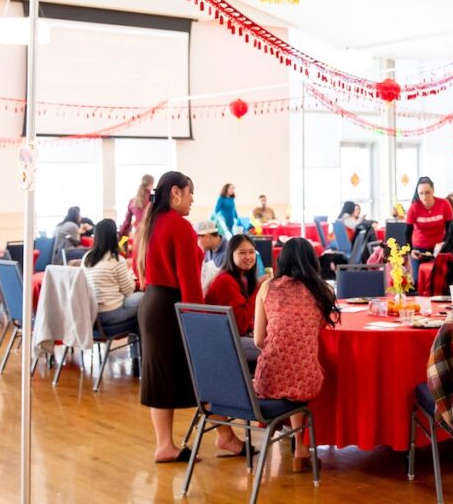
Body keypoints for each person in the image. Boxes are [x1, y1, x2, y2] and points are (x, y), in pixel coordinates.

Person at [136, 172, 245, 462]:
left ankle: (168, 444)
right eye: (190, 193)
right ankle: (225, 437)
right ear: (176, 193)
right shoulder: (180, 226)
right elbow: (190, 283)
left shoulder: (149, 223)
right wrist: (200, 322)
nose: (193, 199)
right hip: (172, 306)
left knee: (161, 376)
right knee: (206, 370)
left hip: (152, 303)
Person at [253, 237, 340, 472]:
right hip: (306, 382)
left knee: (286, 366)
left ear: (281, 260)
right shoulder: (324, 291)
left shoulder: (267, 287)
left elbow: (259, 340)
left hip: (267, 380)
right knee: (300, 368)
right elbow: (317, 329)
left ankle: (300, 449)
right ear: (312, 261)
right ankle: (301, 450)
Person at [205, 234, 262, 360]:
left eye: (251, 252)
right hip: (222, 342)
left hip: (232, 336)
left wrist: (252, 327)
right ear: (231, 254)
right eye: (242, 253)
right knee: (273, 350)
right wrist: (259, 289)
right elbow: (239, 324)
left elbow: (243, 320)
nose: (248, 257)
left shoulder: (241, 278)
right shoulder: (225, 281)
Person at [83, 219, 142, 325]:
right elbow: (128, 291)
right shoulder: (116, 260)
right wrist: (129, 276)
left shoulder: (87, 258)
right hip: (112, 315)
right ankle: (137, 339)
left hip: (91, 316)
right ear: (114, 237)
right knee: (146, 298)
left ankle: (136, 339)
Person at [405, 177, 453, 276]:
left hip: (440, 248)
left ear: (433, 191)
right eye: (421, 193)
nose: (424, 197)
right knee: (417, 280)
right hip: (419, 249)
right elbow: (407, 232)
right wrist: (410, 251)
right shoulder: (414, 208)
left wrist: (445, 244)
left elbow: (451, 229)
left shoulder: (444, 204)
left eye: (427, 193)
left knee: (441, 277)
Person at [119, 174, 153, 238]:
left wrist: (121, 234)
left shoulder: (133, 200)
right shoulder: (153, 197)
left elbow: (127, 222)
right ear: (151, 184)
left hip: (138, 235)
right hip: (152, 234)